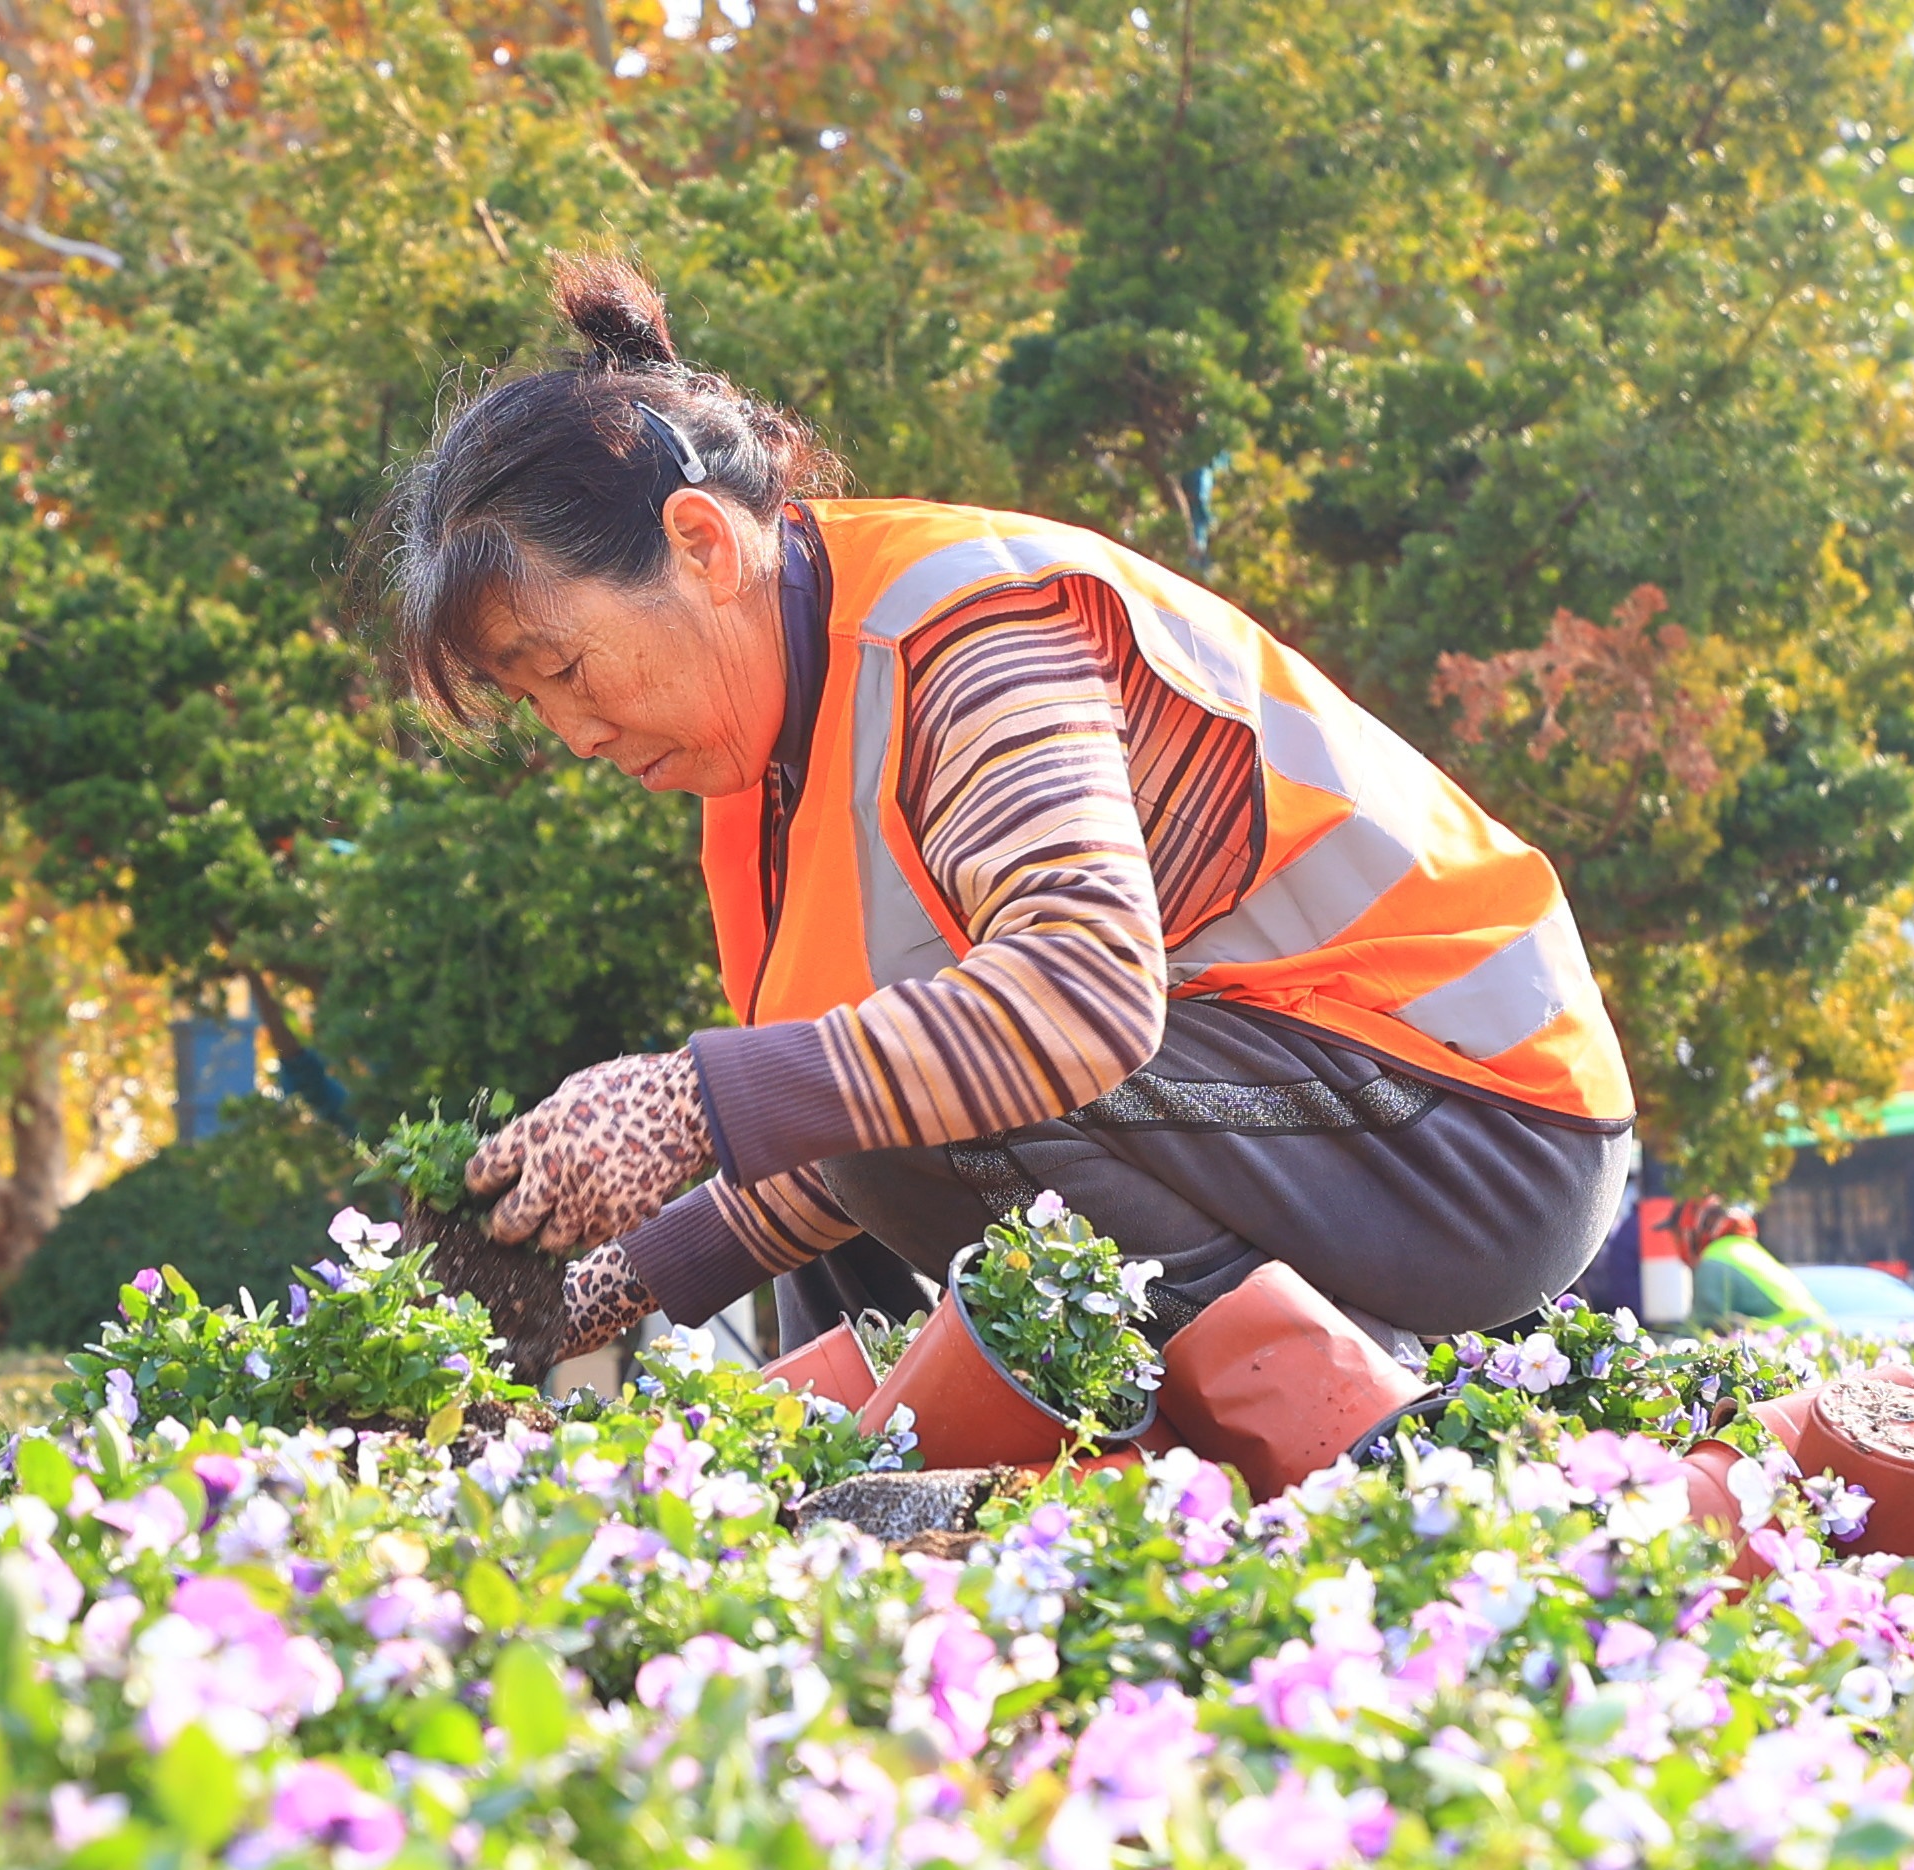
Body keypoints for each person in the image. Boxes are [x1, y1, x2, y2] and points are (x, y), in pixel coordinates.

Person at [371, 258, 1634, 1377]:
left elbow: (1079, 1000)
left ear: (701, 545)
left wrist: (688, 1101)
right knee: (859, 1100)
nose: (577, 735)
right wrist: (599, 1290)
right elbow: (847, 1126)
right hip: (1335, 1122)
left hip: (1478, 1128)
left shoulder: (965, 631)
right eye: (533, 701)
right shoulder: (763, 772)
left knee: (868, 1093)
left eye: (568, 668)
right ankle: (1213, 1397)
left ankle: (1319, 1394)